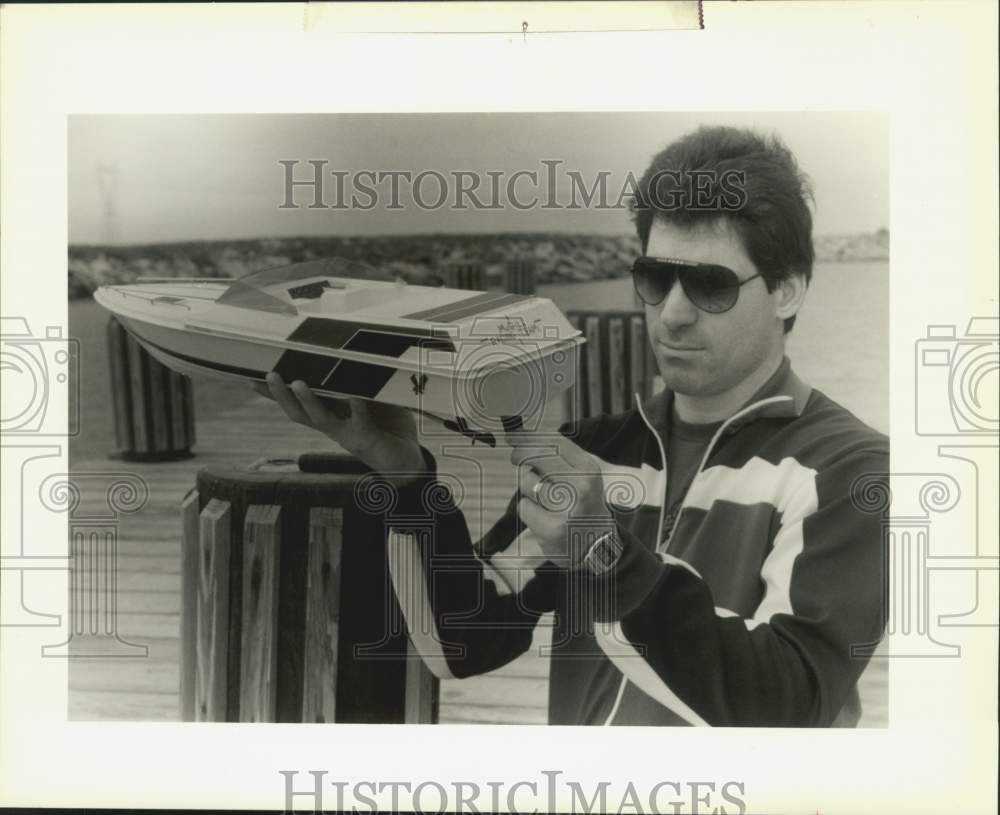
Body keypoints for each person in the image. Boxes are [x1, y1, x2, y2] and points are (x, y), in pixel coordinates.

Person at [261, 125, 889, 727]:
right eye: (654, 278)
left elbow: (791, 705)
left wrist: (604, 553)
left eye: (709, 286)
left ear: (788, 291)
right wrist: (405, 474)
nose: (671, 315)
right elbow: (462, 643)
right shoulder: (595, 450)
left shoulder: (850, 470)